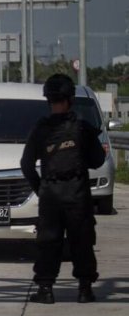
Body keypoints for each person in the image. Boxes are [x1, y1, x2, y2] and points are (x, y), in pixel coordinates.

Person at [20, 74, 106, 304]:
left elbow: (26, 165)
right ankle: (85, 289)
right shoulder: (83, 128)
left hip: (50, 192)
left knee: (49, 241)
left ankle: (46, 289)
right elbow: (98, 160)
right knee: (82, 240)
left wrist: (42, 189)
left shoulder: (41, 129)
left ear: (48, 99)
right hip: (78, 192)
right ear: (70, 99)